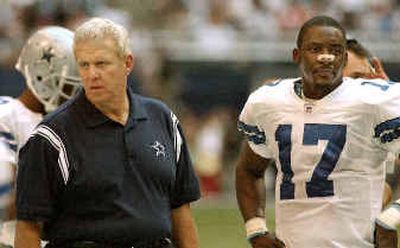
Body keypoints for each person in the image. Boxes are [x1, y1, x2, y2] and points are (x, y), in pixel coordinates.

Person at [14, 17, 201, 248]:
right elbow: (28, 227)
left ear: (128, 63)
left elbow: (181, 209)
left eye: (101, 64)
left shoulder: (162, 119)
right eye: (84, 65)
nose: (92, 74)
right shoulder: (51, 137)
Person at [236, 15, 399, 248]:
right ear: (297, 55)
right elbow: (248, 170)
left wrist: (391, 217)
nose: (326, 57)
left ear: (344, 58)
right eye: (315, 49)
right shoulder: (268, 101)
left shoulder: (375, 100)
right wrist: (256, 229)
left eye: (335, 50)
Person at [0, 26, 81, 247]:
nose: (75, 95)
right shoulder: (6, 115)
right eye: (69, 85)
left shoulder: (70, 124)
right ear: (41, 75)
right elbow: (9, 203)